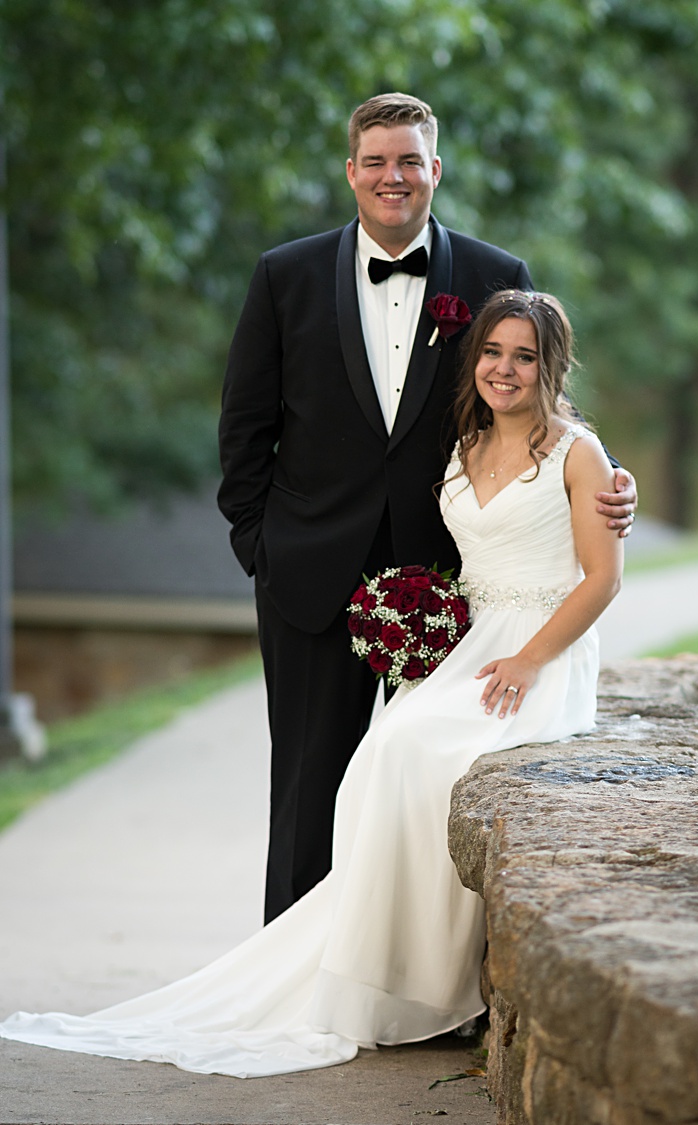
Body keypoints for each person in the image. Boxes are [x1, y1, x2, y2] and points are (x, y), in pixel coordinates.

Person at [0, 290, 622, 1076]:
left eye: (524, 355)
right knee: (377, 758)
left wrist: (530, 658)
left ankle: (430, 983)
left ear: (550, 365)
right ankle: (379, 969)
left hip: (539, 653)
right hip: (470, 644)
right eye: (493, 351)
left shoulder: (580, 453)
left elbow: (602, 580)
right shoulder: (463, 446)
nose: (505, 368)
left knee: (419, 752)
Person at [216, 93, 637, 925]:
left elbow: (541, 399)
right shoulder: (284, 276)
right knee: (308, 783)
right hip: (308, 577)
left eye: (409, 160)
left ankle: (408, 975)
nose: (392, 177)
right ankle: (301, 977)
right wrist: (258, 546)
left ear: (435, 170)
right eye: (375, 161)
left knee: (421, 788)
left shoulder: (494, 275)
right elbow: (244, 424)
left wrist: (614, 475)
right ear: (351, 172)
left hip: (452, 590)